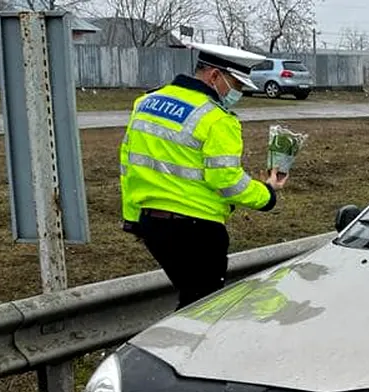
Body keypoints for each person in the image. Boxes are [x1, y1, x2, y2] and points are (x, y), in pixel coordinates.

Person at [120, 41, 287, 309]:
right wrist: (267, 195)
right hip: (197, 231)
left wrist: (132, 218)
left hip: (153, 226)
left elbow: (129, 165)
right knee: (203, 309)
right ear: (214, 75)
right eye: (237, 85)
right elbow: (227, 181)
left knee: (192, 301)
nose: (238, 93)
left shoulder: (146, 102)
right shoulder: (218, 118)